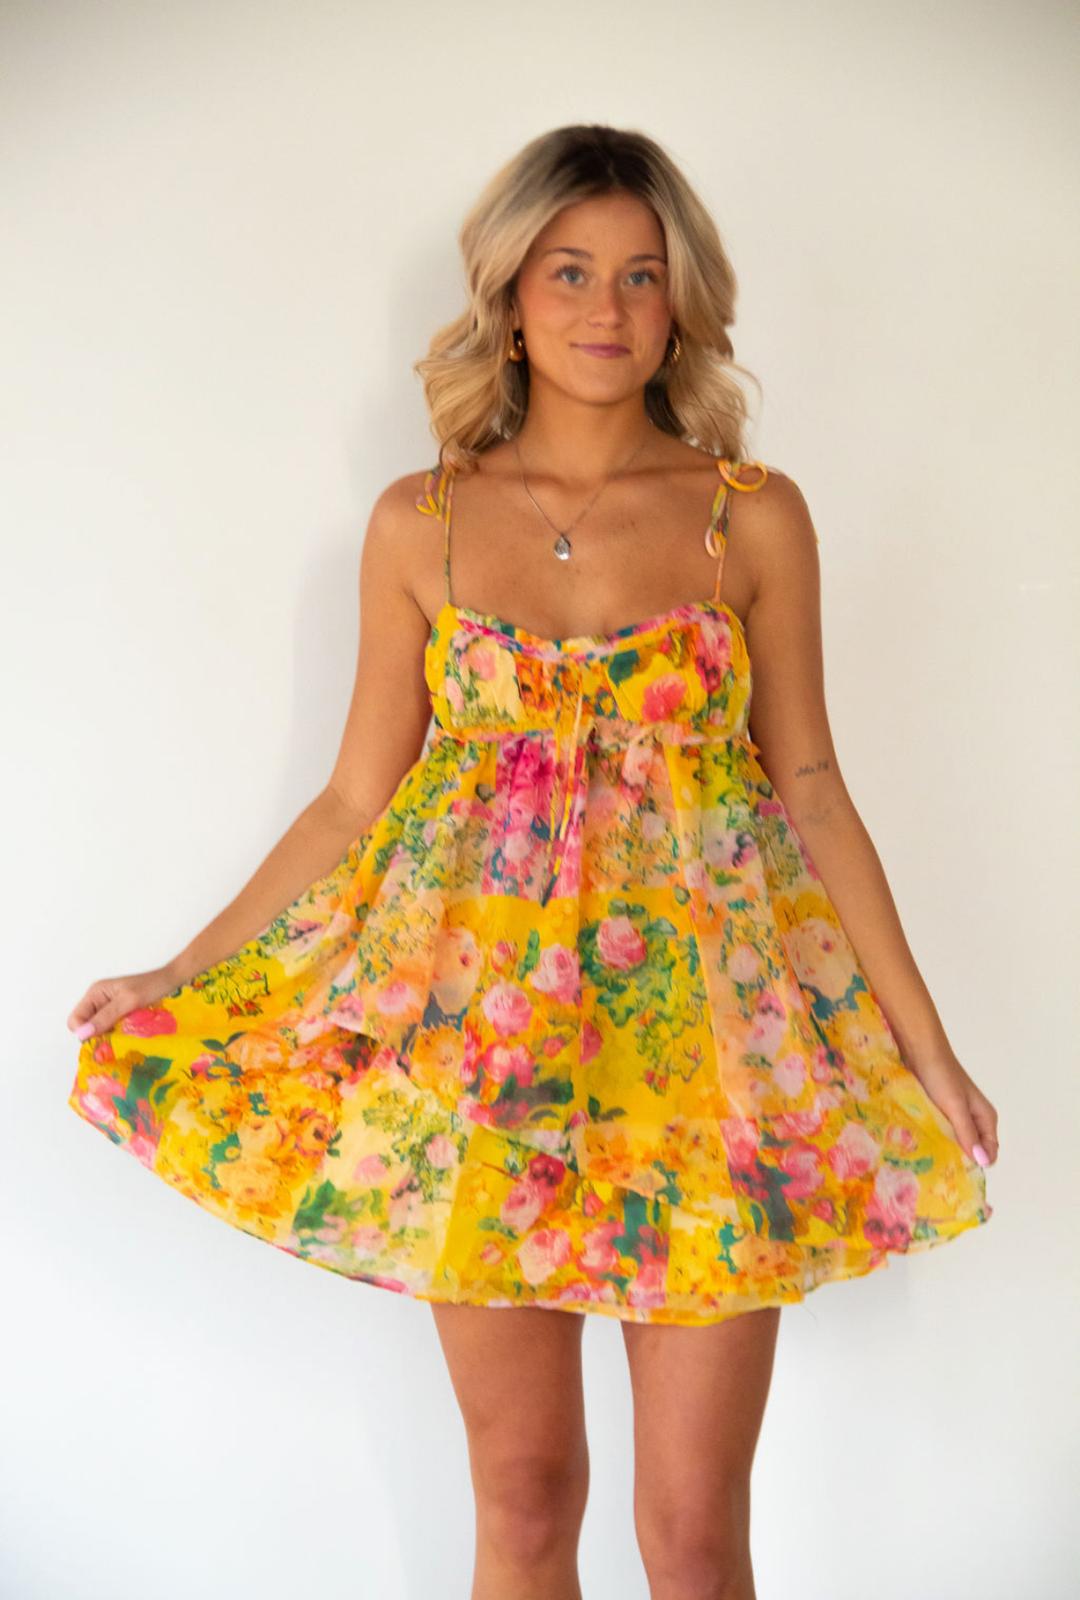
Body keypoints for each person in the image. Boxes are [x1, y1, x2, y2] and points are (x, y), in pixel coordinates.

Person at [67, 123, 997, 1600]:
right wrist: (183, 969)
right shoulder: (422, 525)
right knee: (522, 1495)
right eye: (569, 272)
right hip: (480, 1063)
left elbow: (813, 790)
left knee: (693, 1533)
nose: (605, 308)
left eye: (641, 275)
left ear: (682, 302)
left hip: (709, 1069)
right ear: (509, 295)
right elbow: (351, 802)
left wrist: (925, 1051)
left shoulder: (750, 516)